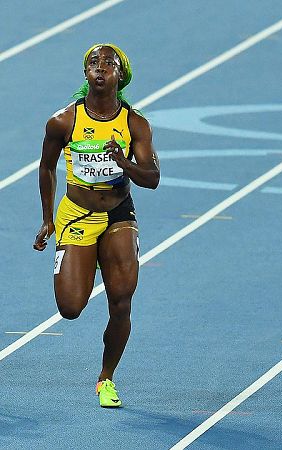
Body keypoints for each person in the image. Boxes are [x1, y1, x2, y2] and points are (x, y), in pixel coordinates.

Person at [33, 44, 160, 407]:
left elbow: (151, 178)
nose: (100, 67)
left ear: (121, 76)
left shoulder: (134, 123)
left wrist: (124, 163)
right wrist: (46, 219)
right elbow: (46, 167)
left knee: (121, 302)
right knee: (71, 307)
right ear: (85, 73)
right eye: (93, 62)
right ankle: (85, 258)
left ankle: (106, 378)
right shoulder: (63, 121)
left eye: (109, 63)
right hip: (76, 213)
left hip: (119, 214)